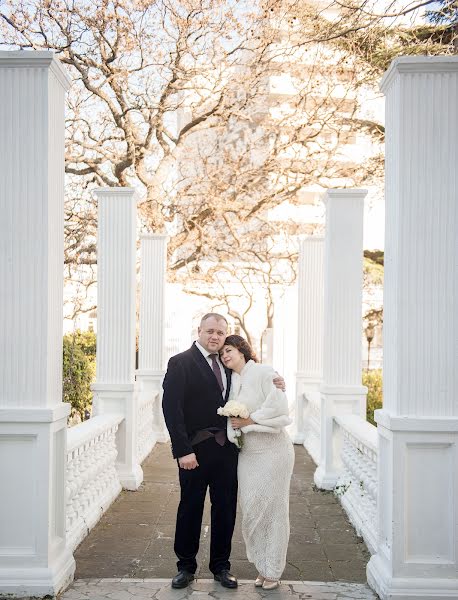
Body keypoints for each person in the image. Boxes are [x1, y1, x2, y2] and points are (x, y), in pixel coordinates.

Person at [162, 313, 284, 590]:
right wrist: (182, 451)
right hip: (194, 451)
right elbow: (171, 410)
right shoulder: (181, 362)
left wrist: (278, 382)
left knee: (225, 509)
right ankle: (185, 566)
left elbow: (257, 380)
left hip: (228, 451)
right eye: (210, 331)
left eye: (220, 332)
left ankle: (221, 566)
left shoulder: (229, 363)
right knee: (190, 508)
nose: (215, 337)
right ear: (200, 331)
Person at [220, 334, 294, 591]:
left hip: (273, 452)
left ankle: (273, 569)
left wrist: (250, 421)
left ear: (242, 350)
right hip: (248, 454)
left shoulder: (264, 372)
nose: (225, 356)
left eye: (229, 350)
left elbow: (278, 406)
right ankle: (262, 567)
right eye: (222, 354)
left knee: (273, 510)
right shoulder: (232, 380)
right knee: (253, 508)